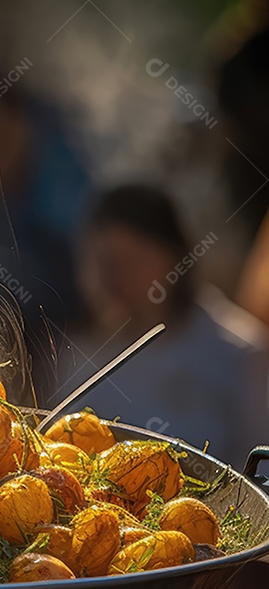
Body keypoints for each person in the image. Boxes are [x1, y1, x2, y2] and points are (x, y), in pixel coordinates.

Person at [57, 184, 269, 469]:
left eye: (131, 261)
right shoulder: (76, 356)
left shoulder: (241, 352)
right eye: (101, 262)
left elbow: (262, 471)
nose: (113, 280)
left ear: (174, 260)